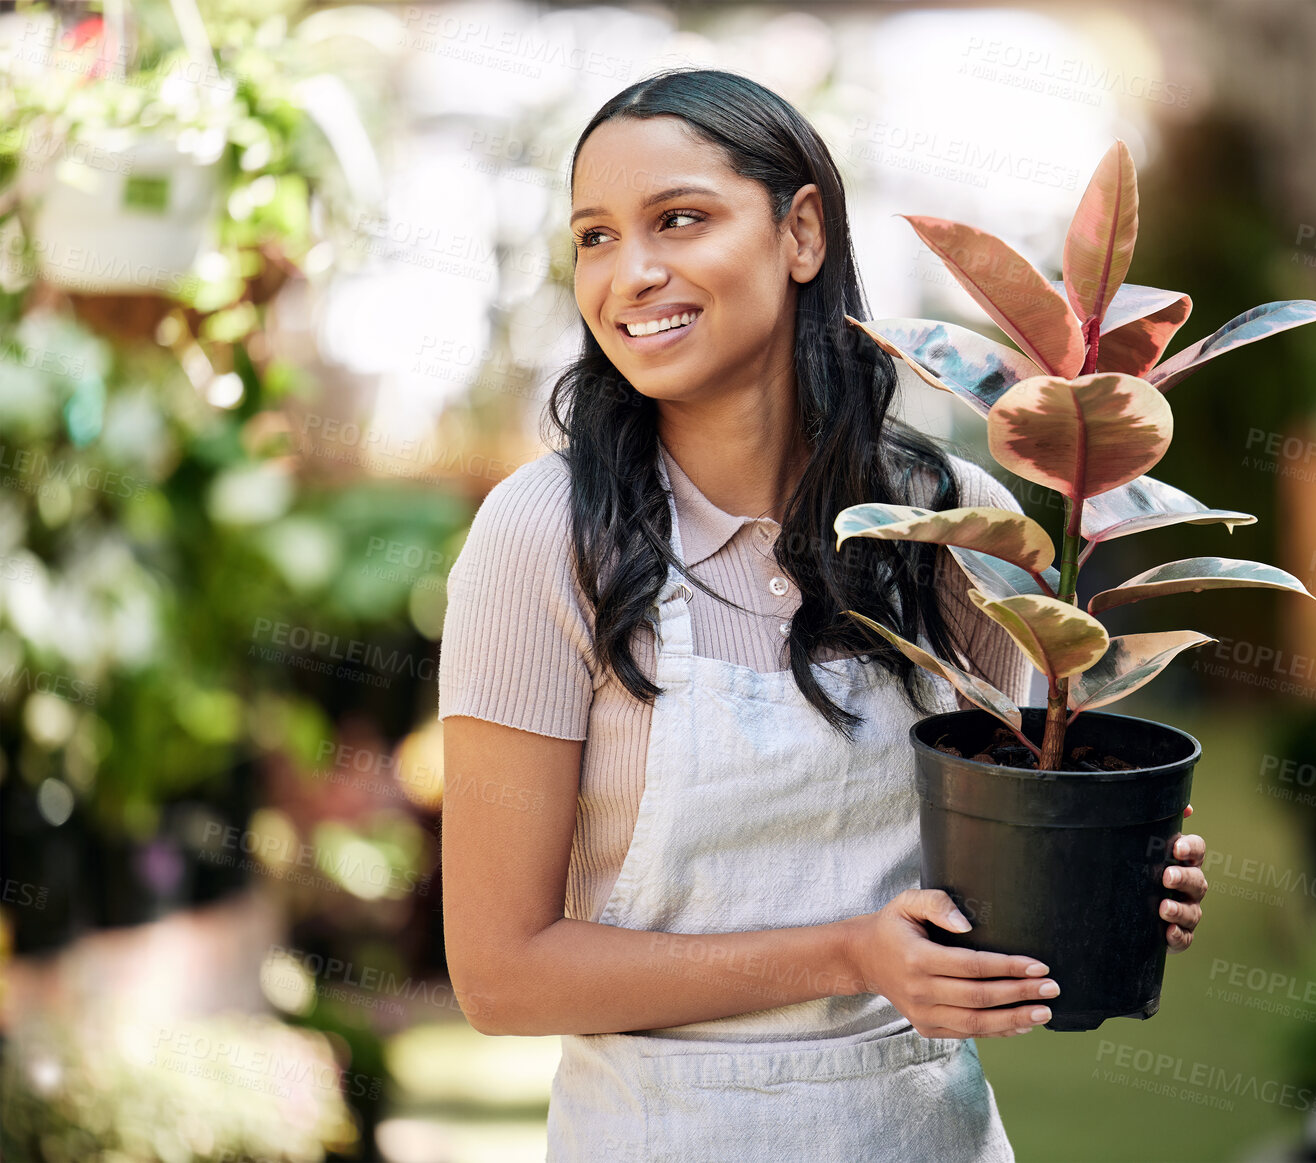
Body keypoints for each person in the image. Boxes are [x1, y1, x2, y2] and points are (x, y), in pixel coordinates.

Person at [437, 66, 1209, 1163]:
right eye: (595, 237)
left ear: (801, 232)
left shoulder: (946, 521)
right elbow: (502, 974)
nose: (630, 273)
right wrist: (851, 953)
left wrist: (1129, 873)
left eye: (679, 219)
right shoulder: (546, 538)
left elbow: (1031, 813)